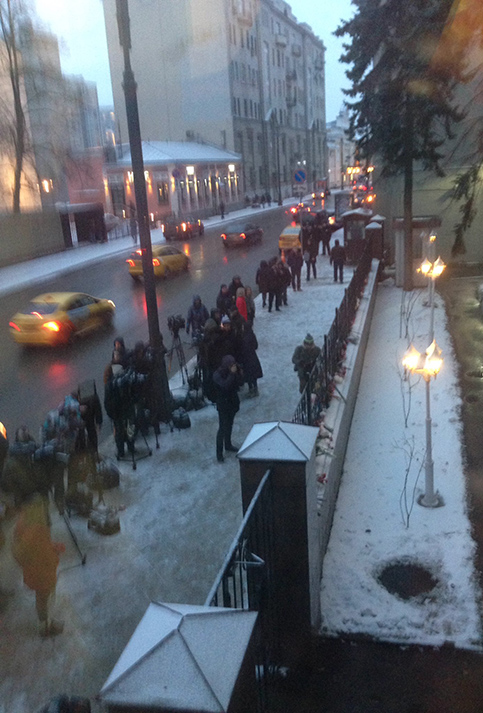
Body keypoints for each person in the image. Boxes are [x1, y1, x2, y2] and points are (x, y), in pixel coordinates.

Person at [12, 493, 65, 637]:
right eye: (41, 508)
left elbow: (36, 548)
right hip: (42, 572)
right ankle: (45, 627)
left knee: (41, 599)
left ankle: (45, 624)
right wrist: (54, 554)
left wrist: (52, 546)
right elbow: (31, 551)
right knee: (44, 600)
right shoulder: (35, 529)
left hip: (35, 570)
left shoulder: (24, 523)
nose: (44, 510)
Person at [213, 355, 243, 462]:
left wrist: (239, 373)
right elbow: (225, 386)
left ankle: (228, 444)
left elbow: (240, 383)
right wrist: (232, 374)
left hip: (232, 403)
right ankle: (219, 453)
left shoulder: (233, 372)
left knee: (230, 424)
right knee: (222, 428)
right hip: (223, 404)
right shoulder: (217, 375)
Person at [240, 322, 263, 397]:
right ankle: (255, 389)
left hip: (246, 358)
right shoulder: (252, 335)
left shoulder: (244, 337)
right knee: (254, 374)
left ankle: (251, 389)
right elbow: (256, 346)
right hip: (253, 356)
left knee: (248, 374)